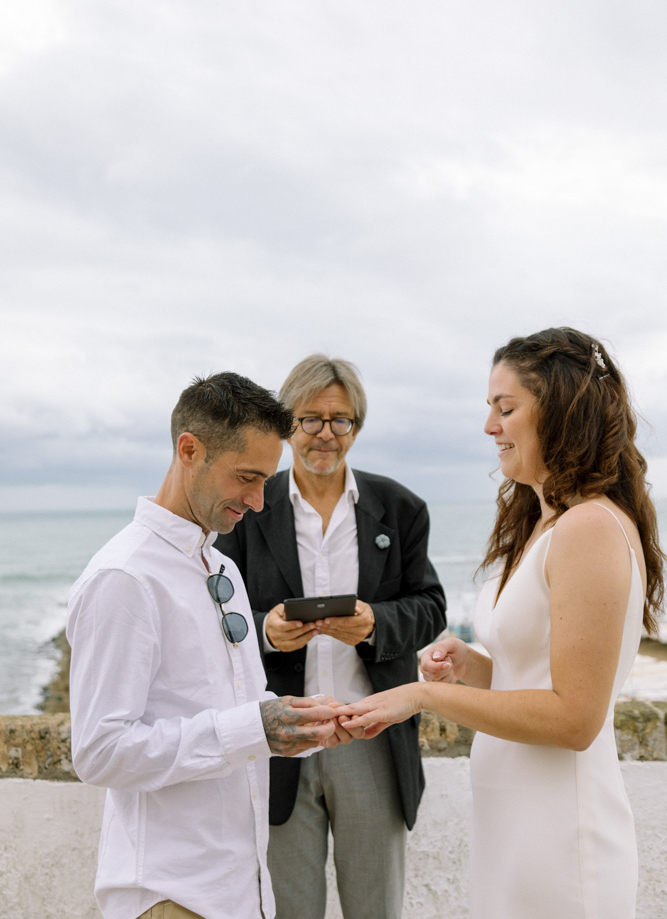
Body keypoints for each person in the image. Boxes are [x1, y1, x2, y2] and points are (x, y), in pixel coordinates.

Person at [339, 327, 665, 919]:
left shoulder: (589, 528)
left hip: (563, 837)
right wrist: (472, 667)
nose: (489, 427)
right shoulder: (542, 525)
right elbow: (534, 678)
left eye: (505, 408)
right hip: (514, 829)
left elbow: (573, 717)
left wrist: (421, 695)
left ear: (562, 412)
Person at [66, 372, 353, 919]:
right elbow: (99, 752)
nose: (260, 501)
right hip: (171, 896)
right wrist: (254, 728)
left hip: (243, 893)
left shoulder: (220, 565)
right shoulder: (124, 578)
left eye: (267, 479)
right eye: (247, 476)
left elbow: (234, 712)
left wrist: (303, 726)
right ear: (189, 450)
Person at [216, 354, 446, 919]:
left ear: (356, 427)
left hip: (370, 733)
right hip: (279, 737)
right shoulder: (249, 507)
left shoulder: (400, 507)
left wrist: (375, 625)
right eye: (309, 419)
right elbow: (212, 613)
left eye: (339, 420)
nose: (325, 433)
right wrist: (265, 633)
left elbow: (431, 607)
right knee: (290, 910)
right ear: (287, 424)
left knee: (377, 909)